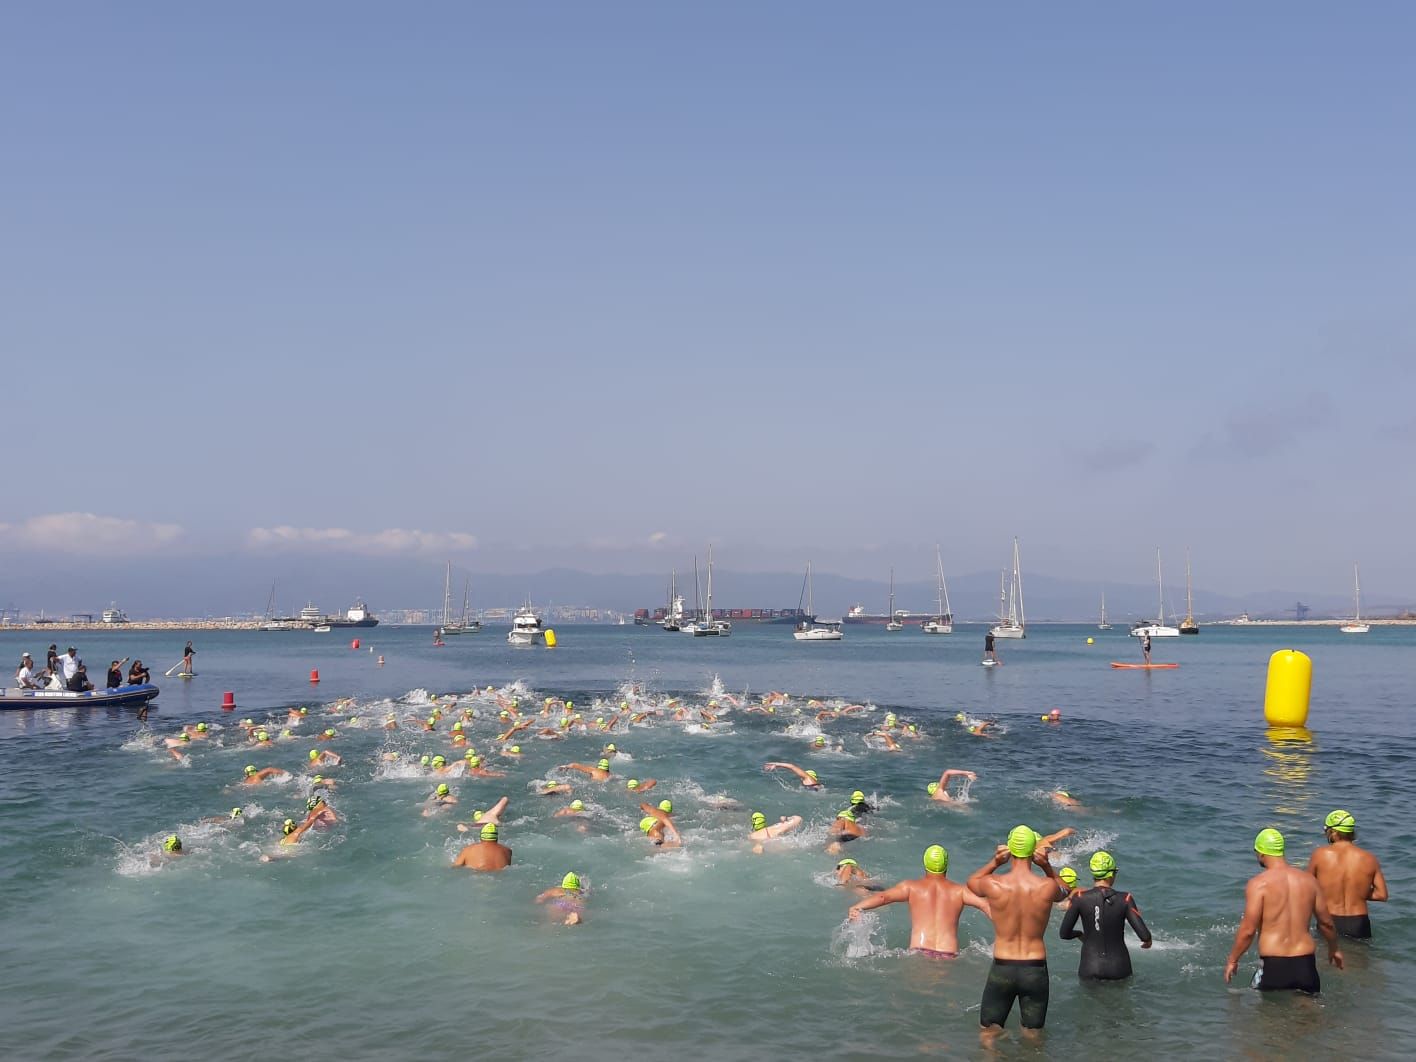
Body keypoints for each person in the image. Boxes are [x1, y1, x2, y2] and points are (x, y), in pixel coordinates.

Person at [967, 825, 1069, 1041]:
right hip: (1034, 969)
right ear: (1034, 852)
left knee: (989, 1032)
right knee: (1033, 1034)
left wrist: (995, 862)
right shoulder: (1046, 887)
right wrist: (1047, 866)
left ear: (1010, 850)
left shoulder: (994, 884)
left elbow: (971, 883)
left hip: (1003, 967)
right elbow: (1065, 890)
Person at [1224, 828, 1343, 994]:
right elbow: (1326, 923)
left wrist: (1233, 960)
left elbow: (1248, 931)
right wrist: (1334, 949)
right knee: (1309, 1017)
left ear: (1261, 853)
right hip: (1305, 966)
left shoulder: (1258, 884)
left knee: (1265, 1017)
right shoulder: (1309, 881)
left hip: (1274, 965)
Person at [850, 845, 992, 958]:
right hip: (949, 954)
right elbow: (985, 904)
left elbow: (883, 897)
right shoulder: (960, 891)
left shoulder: (911, 887)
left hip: (919, 953)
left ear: (925, 864)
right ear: (946, 864)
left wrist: (857, 907)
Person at [1059, 851, 1152, 979]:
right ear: (1110, 875)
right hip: (1119, 968)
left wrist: (1079, 934)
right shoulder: (1125, 899)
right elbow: (1145, 936)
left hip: (1090, 967)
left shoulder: (1079, 898)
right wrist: (1148, 942)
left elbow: (1064, 934)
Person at [1307, 809, 1388, 939]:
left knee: (1326, 957)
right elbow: (1382, 895)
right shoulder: (1369, 858)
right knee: (1360, 958)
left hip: (1330, 919)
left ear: (1333, 832)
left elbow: (1307, 889)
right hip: (1359, 922)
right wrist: (1358, 892)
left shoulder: (1320, 855)